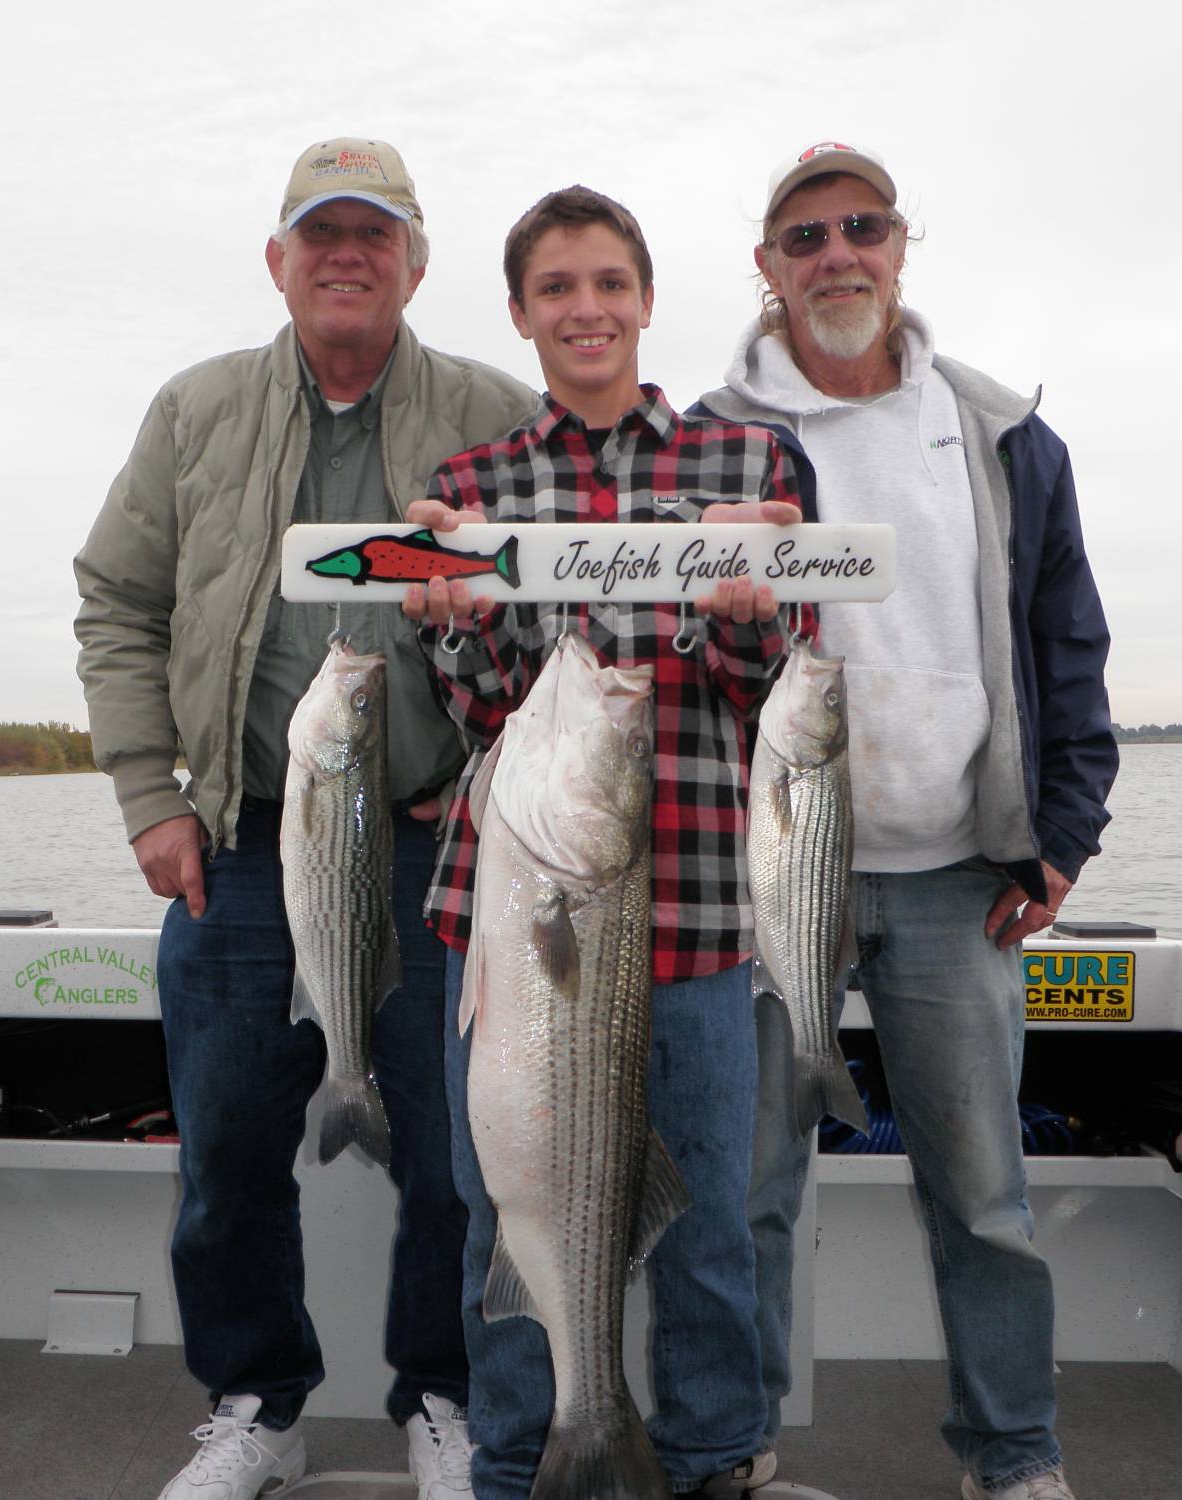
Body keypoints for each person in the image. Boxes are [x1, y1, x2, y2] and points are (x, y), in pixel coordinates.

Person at [72, 137, 537, 1500]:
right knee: (221, 1148)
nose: (347, 255)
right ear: (277, 261)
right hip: (234, 850)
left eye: (374, 234)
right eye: (320, 234)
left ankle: (441, 1396)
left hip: (438, 852)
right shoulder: (193, 411)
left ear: (417, 262)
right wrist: (150, 796)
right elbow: (118, 603)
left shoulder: (494, 410)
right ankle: (256, 1403)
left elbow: (566, 595)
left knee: (457, 1153)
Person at [693, 141, 1118, 1500]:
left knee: (985, 1201)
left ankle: (1015, 1459)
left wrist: (1064, 831)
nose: (837, 255)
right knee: (746, 1197)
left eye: (861, 227)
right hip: (761, 877)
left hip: (955, 878)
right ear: (767, 270)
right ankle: (740, 1451)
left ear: (901, 244)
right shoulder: (709, 437)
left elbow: (1069, 640)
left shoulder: (999, 429)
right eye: (804, 236)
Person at [405, 185, 794, 1500]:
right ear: (520, 313)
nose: (587, 309)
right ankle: (525, 1468)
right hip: (518, 918)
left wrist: (753, 604)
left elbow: (775, 688)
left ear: (643, 298)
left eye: (610, 283)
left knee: (708, 1235)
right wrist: (454, 612)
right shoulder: (470, 490)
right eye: (558, 287)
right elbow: (475, 712)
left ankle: (706, 1469)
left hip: (692, 919)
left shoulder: (745, 469)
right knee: (506, 1221)